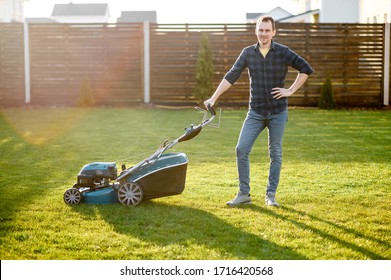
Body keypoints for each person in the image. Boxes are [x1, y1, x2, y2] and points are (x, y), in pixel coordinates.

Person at [204, 16, 313, 207]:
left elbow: (305, 68)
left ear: (273, 32)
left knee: (275, 153)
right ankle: (244, 194)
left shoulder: (283, 52)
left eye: (267, 30)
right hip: (255, 111)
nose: (263, 34)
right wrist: (214, 97)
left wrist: (291, 90)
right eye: (260, 30)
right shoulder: (248, 53)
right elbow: (231, 75)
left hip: (278, 112)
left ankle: (270, 195)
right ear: (256, 31)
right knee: (241, 149)